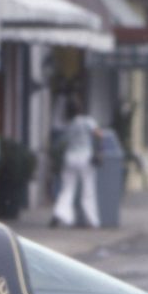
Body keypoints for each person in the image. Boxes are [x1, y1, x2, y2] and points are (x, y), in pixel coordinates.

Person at [52, 97, 100, 228]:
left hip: (70, 157)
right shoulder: (88, 121)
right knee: (88, 188)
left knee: (67, 188)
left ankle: (60, 213)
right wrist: (98, 150)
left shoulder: (69, 124)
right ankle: (92, 220)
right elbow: (98, 134)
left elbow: (63, 140)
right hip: (85, 156)